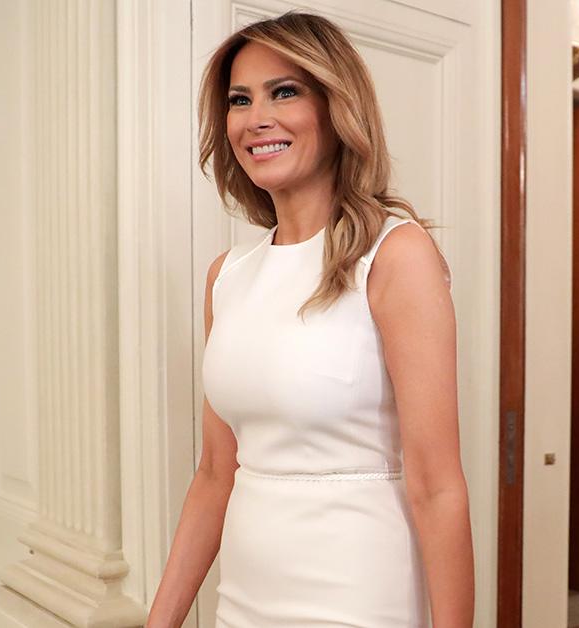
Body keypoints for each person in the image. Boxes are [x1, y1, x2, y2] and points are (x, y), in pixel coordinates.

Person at [146, 12, 474, 627]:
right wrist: (159, 621)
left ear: (336, 106)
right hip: (243, 602)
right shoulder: (228, 276)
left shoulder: (395, 255)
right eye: (239, 99)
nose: (256, 117)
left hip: (357, 599)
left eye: (285, 91)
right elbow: (216, 475)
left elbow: (438, 485)